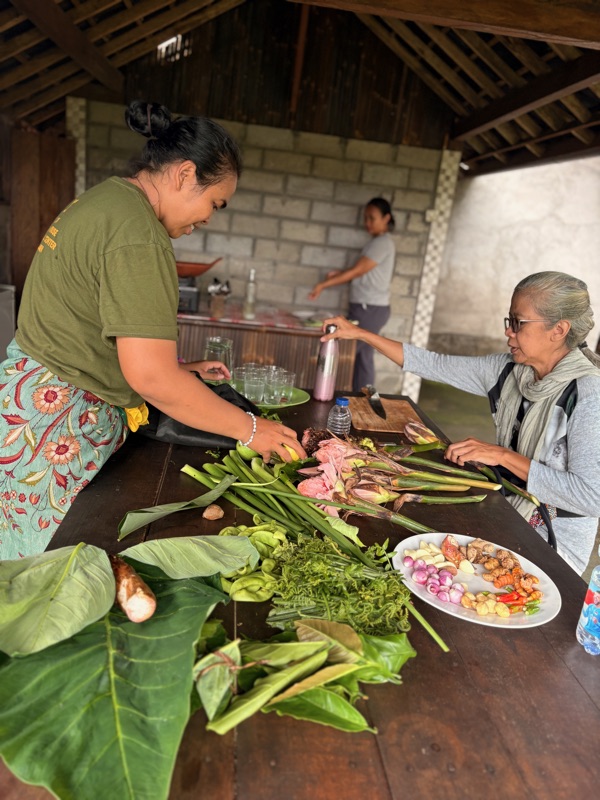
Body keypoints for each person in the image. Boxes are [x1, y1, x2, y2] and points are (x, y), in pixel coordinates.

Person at [0, 100, 305, 561]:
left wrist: (178, 367)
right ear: (184, 174)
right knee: (33, 576)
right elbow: (152, 379)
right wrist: (251, 429)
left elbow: (93, 323)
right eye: (214, 203)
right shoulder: (138, 234)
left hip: (30, 401)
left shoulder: (109, 200)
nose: (208, 218)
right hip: (55, 426)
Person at [321, 271, 600, 576]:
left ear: (558, 329)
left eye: (518, 323)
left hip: (554, 548)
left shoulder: (588, 396)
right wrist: (360, 334)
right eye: (508, 321)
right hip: (507, 515)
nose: (508, 332)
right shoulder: (509, 371)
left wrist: (503, 456)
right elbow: (435, 364)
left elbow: (591, 497)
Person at [308, 197, 395, 392]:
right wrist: (339, 275)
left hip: (370, 309)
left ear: (386, 218)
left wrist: (324, 284)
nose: (367, 223)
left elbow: (357, 272)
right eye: (366, 218)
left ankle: (352, 399)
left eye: (372, 218)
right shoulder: (377, 243)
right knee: (362, 359)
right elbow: (362, 270)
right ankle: (364, 401)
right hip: (368, 308)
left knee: (350, 355)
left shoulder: (382, 243)